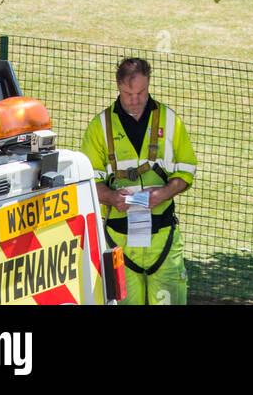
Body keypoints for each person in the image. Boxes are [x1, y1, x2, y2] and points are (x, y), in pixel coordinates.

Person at [81, 57, 196, 306]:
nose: (135, 100)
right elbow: (88, 181)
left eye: (141, 92)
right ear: (118, 88)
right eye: (127, 93)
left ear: (149, 85)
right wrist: (111, 197)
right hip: (118, 242)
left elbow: (186, 172)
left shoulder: (169, 120)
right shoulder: (99, 127)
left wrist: (163, 193)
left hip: (162, 238)